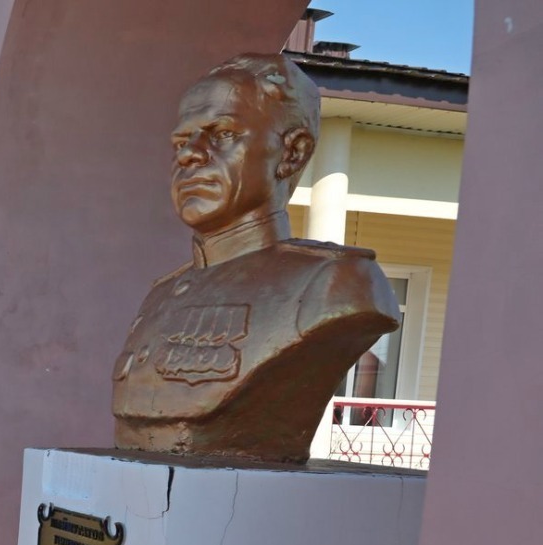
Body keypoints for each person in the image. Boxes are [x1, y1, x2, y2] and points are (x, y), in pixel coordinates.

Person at [111, 52, 400, 462]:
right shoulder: (160, 295)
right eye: (181, 142)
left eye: (222, 133)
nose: (189, 154)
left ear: (292, 153)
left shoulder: (334, 285)